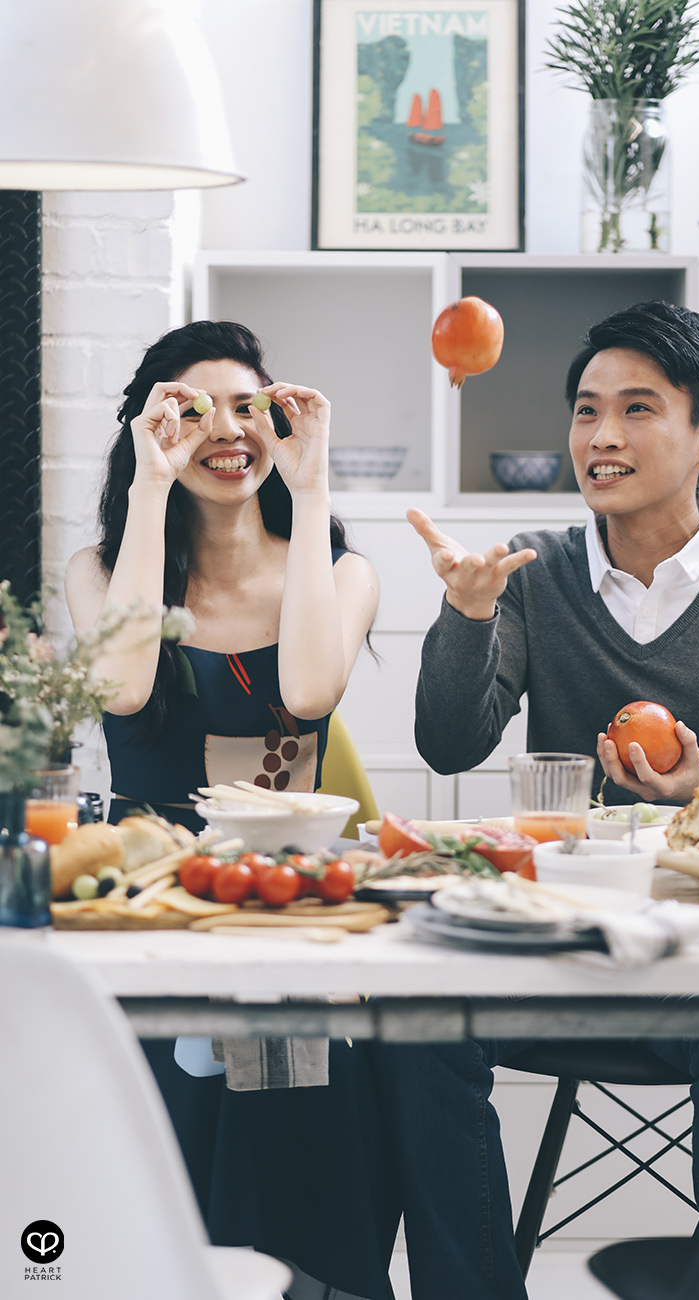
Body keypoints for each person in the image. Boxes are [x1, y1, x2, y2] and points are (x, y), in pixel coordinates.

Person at [371, 300, 699, 1300]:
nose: (601, 437)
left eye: (638, 408)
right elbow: (449, 741)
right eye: (586, 410)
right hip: (557, 951)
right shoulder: (530, 573)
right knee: (414, 1022)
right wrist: (467, 614)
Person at [65, 321, 399, 1300]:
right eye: (192, 406)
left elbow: (305, 685)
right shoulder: (101, 572)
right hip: (147, 921)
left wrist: (314, 485)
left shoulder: (343, 572)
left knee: (296, 1212)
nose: (225, 428)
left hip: (293, 924)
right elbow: (124, 689)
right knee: (155, 1220)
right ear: (151, 423)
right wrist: (151, 486)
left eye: (246, 405)